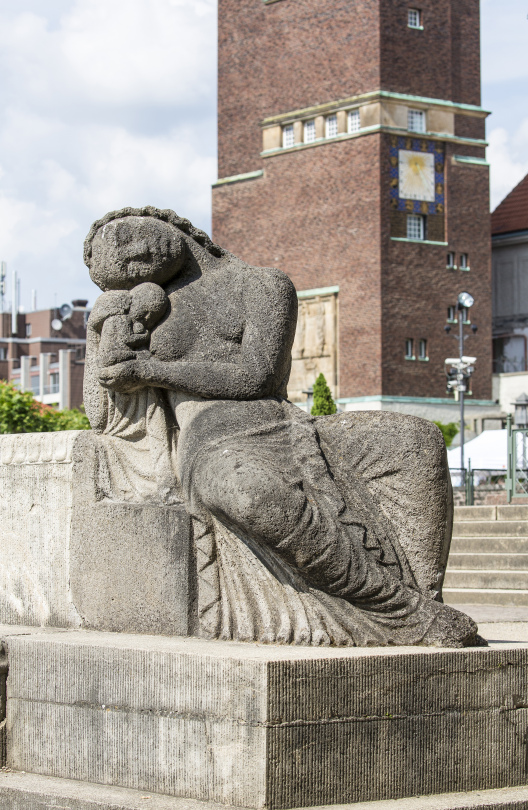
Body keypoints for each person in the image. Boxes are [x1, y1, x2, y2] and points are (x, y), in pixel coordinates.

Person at [83, 206, 480, 648]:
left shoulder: (262, 284)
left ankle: (426, 596)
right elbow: (101, 414)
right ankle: (398, 608)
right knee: (246, 490)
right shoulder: (146, 313)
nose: (131, 251)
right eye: (119, 264)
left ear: (164, 219)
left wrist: (151, 370)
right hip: (213, 440)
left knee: (415, 440)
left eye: (124, 234)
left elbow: (258, 376)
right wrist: (99, 332)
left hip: (285, 421)